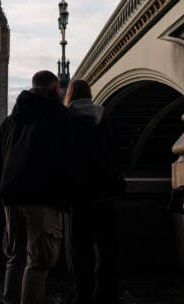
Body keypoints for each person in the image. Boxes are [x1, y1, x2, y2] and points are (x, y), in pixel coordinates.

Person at [0, 70, 77, 304]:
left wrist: (11, 180)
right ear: (55, 88)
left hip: (11, 197)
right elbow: (68, 158)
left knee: (15, 258)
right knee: (38, 261)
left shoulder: (10, 120)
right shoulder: (59, 115)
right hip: (42, 198)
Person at [64, 79, 125, 304]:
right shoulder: (105, 117)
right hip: (104, 195)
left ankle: (83, 295)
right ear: (90, 94)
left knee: (81, 254)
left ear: (69, 95)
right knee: (107, 251)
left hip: (78, 198)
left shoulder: (64, 120)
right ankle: (106, 295)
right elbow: (117, 150)